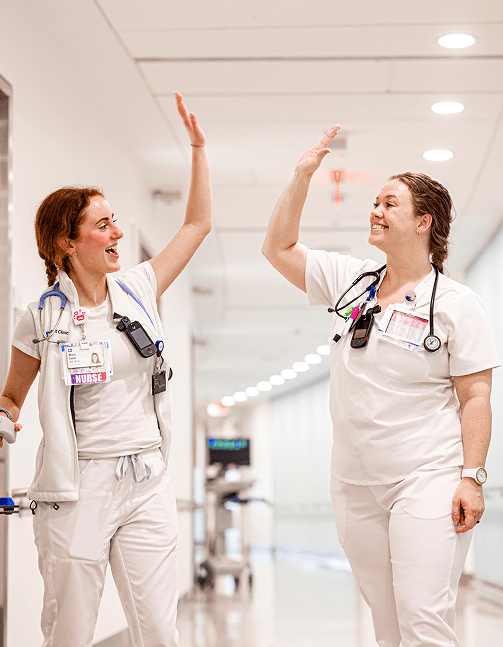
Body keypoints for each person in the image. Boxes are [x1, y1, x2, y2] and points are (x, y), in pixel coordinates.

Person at [262, 125, 499, 647]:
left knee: (424, 618)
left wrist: (472, 477)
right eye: (374, 202)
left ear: (423, 222)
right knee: (388, 626)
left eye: (389, 203)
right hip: (354, 483)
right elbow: (277, 247)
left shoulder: (457, 304)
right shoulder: (353, 282)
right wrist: (302, 176)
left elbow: (475, 397)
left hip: (427, 478)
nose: (376, 210)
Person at [0, 92, 211, 647]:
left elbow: (197, 225)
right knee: (69, 630)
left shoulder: (139, 288)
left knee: (159, 631)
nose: (117, 233)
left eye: (116, 222)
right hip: (78, 489)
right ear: (67, 243)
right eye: (103, 225)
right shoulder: (39, 319)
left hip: (146, 478)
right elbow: (12, 398)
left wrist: (197, 149)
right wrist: (4, 420)